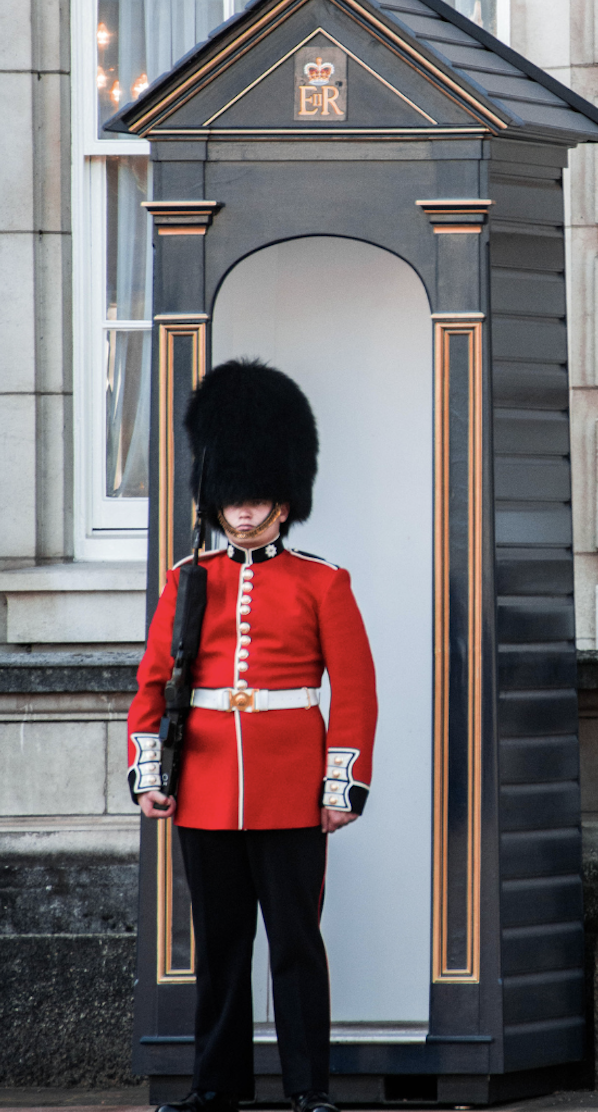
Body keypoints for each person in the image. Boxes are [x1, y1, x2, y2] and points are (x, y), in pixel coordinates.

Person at [127, 359, 378, 1112]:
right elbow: (152, 680)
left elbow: (356, 691)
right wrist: (151, 771)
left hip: (291, 784)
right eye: (232, 500)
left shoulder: (321, 582)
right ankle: (216, 1085)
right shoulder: (188, 579)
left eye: (256, 499)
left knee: (297, 947)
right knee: (222, 947)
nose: (242, 513)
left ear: (282, 500)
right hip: (204, 787)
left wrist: (342, 785)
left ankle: (309, 1087)